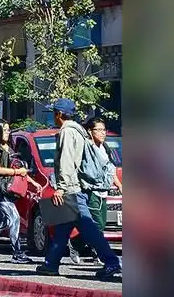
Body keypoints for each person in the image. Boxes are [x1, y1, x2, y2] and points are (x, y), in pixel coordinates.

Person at [35, 99, 122, 279]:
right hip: (75, 189)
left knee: (89, 229)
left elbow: (67, 161)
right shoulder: (79, 131)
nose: (53, 117)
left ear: (59, 114)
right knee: (62, 228)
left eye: (54, 113)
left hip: (72, 190)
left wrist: (61, 188)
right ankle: (51, 264)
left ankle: (112, 262)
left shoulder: (68, 131)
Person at [0, 120, 39, 264]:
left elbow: (19, 170)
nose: (8, 133)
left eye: (8, 130)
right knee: (14, 217)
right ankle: (17, 253)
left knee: (2, 221)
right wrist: (17, 172)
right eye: (5, 130)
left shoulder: (9, 148)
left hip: (8, 189)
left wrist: (33, 183)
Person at [68, 117, 123, 264]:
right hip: (91, 190)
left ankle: (76, 242)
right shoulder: (87, 147)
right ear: (90, 131)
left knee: (101, 225)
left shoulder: (105, 148)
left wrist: (119, 185)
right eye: (98, 130)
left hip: (103, 191)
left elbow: (109, 170)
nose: (102, 133)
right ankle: (95, 252)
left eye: (104, 130)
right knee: (96, 225)